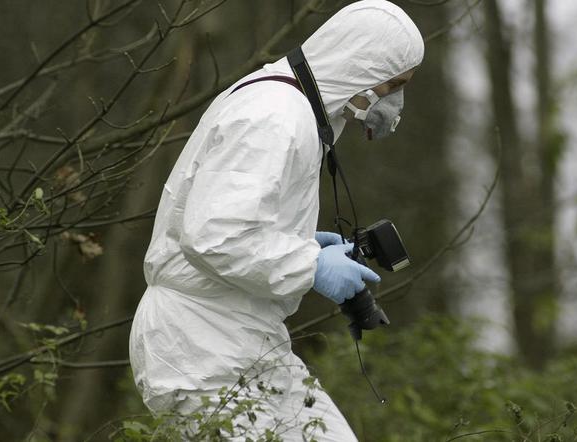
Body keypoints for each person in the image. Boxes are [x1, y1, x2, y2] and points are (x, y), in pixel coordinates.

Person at [128, 0, 424, 440]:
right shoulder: (274, 115)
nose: (393, 100)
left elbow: (236, 222)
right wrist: (310, 266)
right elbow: (214, 236)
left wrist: (301, 242)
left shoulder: (290, 107)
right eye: (391, 84)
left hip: (240, 338)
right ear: (361, 64)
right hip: (200, 345)